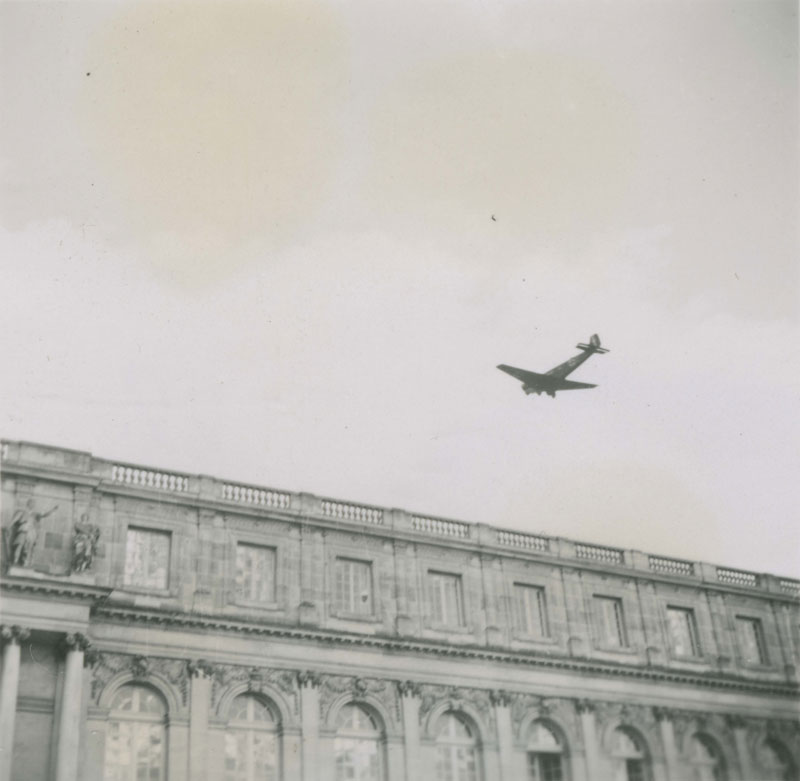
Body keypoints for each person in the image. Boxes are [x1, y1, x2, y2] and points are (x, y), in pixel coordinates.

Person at [10, 499, 58, 567]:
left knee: (29, 548)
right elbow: (14, 520)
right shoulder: (22, 512)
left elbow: (44, 515)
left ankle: (25, 563)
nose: (32, 505)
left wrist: (53, 510)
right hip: (23, 530)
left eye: (33, 504)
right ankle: (15, 561)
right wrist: (9, 526)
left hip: (31, 532)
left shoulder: (35, 514)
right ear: (28, 504)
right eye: (31, 503)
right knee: (19, 545)